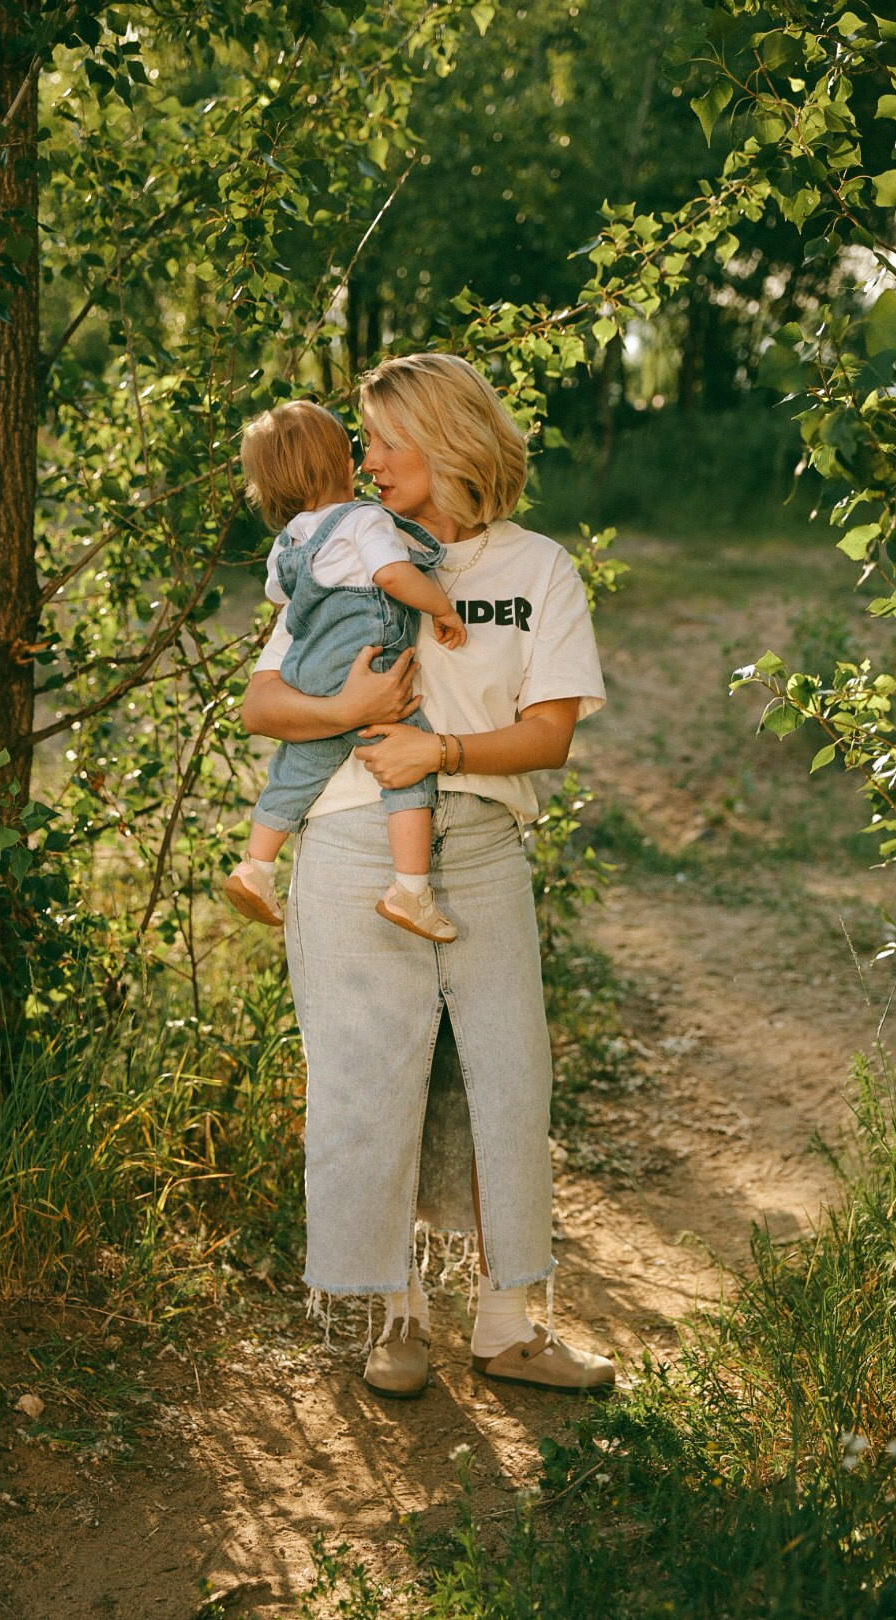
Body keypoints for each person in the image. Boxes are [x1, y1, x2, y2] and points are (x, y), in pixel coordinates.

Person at [241, 354, 615, 1397]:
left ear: (449, 441)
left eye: (387, 439)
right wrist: (349, 718)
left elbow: (548, 739)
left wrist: (439, 754)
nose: (367, 460)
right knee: (372, 1080)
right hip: (356, 843)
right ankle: (393, 1320)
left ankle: (507, 1327)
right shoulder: (351, 546)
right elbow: (261, 706)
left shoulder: (537, 569)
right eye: (361, 440)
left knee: (503, 1078)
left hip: (483, 847)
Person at [225, 400, 465, 944]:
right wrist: (441, 608)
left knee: (297, 766)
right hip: (366, 661)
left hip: (308, 670)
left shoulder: (287, 542)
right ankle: (410, 888)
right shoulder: (363, 518)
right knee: (410, 758)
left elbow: (280, 598)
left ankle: (256, 867)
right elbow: (392, 574)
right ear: (343, 463)